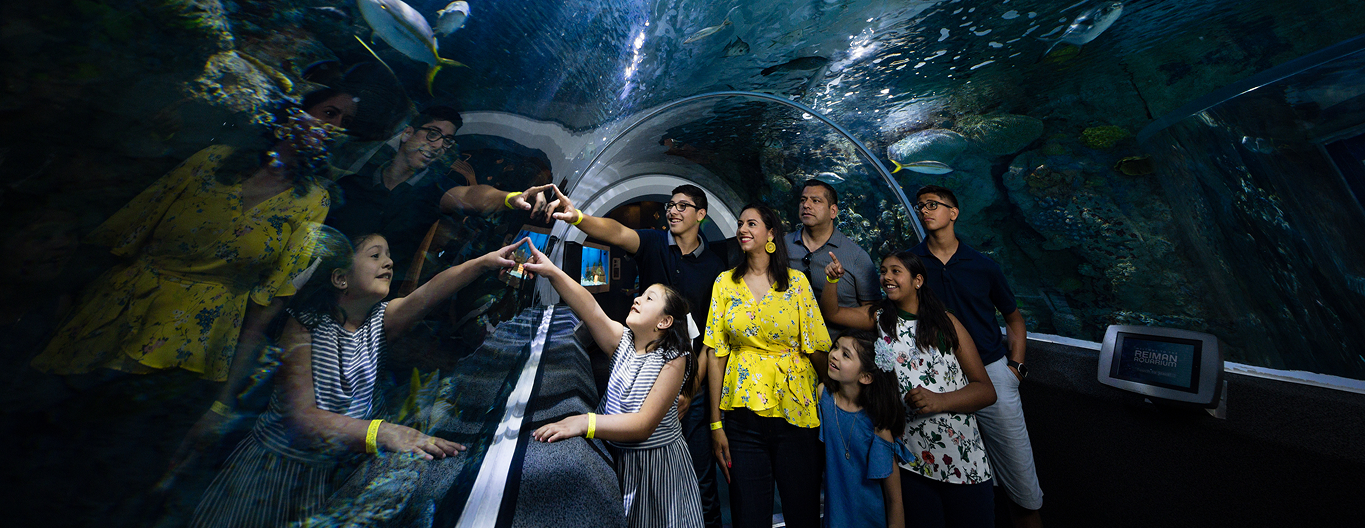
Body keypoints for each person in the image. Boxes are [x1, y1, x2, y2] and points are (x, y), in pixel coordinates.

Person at [23, 88, 358, 526]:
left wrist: (221, 403)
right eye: (327, 113)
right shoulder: (212, 161)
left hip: (197, 345)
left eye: (342, 124)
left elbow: (265, 310)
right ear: (294, 112)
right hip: (111, 316)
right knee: (46, 445)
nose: (331, 128)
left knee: (117, 474)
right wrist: (59, 316)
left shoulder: (313, 201)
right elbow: (123, 235)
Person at [190, 231, 522, 527]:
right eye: (375, 255)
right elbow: (302, 418)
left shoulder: (379, 319)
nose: (389, 262)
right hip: (283, 472)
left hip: (343, 464)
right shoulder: (303, 326)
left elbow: (429, 293)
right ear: (340, 278)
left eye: (389, 255)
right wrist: (383, 431)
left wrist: (483, 263)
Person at [545, 183, 728, 527]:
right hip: (650, 352)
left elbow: (710, 336)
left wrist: (690, 388)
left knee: (697, 467)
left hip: (690, 373)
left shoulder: (715, 267)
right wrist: (579, 218)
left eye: (682, 206)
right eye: (670, 205)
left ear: (701, 215)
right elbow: (617, 233)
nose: (672, 211)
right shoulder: (656, 244)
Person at [523, 242, 704, 528]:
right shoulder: (622, 342)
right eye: (640, 295)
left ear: (665, 321)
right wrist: (550, 271)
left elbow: (643, 425)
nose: (637, 299)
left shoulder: (674, 358)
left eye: (649, 299)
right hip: (619, 459)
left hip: (656, 470)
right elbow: (589, 307)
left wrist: (585, 422)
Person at [821, 249, 997, 528]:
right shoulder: (879, 318)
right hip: (911, 460)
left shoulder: (945, 323)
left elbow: (986, 391)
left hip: (964, 459)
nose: (886, 277)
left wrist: (939, 400)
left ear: (918, 281)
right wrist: (832, 281)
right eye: (883, 271)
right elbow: (833, 313)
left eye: (895, 271)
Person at [910, 185, 1043, 527]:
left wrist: (1015, 368)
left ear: (953, 213)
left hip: (992, 372)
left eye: (933, 205)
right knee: (965, 477)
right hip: (941, 380)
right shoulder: (912, 265)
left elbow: (1014, 319)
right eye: (920, 205)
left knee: (1021, 482)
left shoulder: (983, 265)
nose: (925, 210)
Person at [705, 204, 830, 528]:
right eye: (740, 224)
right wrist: (716, 424)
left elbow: (818, 347)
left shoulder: (797, 283)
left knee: (802, 511)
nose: (742, 229)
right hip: (742, 417)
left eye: (751, 223)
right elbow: (716, 354)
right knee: (748, 515)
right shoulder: (724, 283)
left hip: (796, 412)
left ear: (771, 233)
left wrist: (843, 392)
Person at [325, 105, 555, 283]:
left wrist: (510, 198)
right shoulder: (352, 184)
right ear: (407, 133)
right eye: (432, 134)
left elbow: (472, 196)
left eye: (447, 141)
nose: (437, 146)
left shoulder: (433, 190)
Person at [818, 329, 910, 528]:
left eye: (845, 354)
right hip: (834, 520)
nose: (833, 354)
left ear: (866, 377)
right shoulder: (823, 397)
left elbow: (895, 500)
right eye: (835, 347)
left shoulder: (877, 426)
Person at [785, 179, 880, 317]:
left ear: (833, 211)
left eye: (816, 201)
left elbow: (875, 313)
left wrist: (849, 337)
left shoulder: (857, 256)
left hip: (837, 336)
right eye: (803, 200)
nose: (806, 205)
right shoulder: (782, 246)